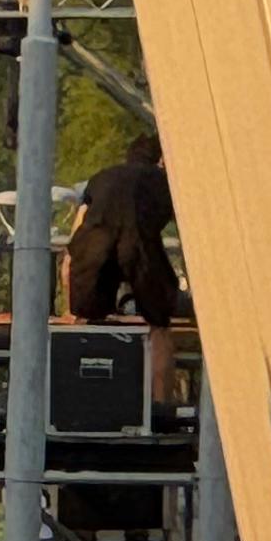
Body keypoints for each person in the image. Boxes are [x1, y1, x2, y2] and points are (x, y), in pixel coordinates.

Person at [65, 133, 186, 379]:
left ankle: (79, 389)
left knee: (84, 322)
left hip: (94, 245)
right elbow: (191, 235)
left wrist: (71, 306)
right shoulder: (165, 181)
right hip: (139, 245)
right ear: (161, 160)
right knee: (160, 328)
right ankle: (160, 406)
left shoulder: (102, 177)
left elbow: (73, 240)